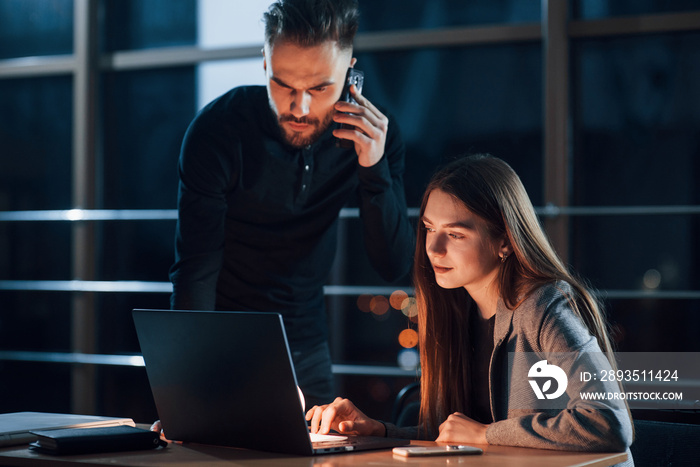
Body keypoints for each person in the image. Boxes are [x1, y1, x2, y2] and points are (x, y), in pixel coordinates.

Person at [306, 155, 634, 465]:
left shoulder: (542, 306)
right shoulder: (455, 309)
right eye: (429, 229)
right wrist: (379, 431)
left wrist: (485, 434)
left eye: (455, 234)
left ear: (505, 241)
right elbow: (452, 435)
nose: (433, 248)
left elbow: (608, 422)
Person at [168, 0, 414, 408]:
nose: (300, 108)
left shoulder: (375, 135)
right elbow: (195, 267)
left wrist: (374, 168)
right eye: (285, 85)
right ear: (264, 62)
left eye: (320, 88)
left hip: (304, 336)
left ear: (351, 73)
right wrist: (185, 379)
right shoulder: (217, 131)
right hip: (221, 333)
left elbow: (392, 263)